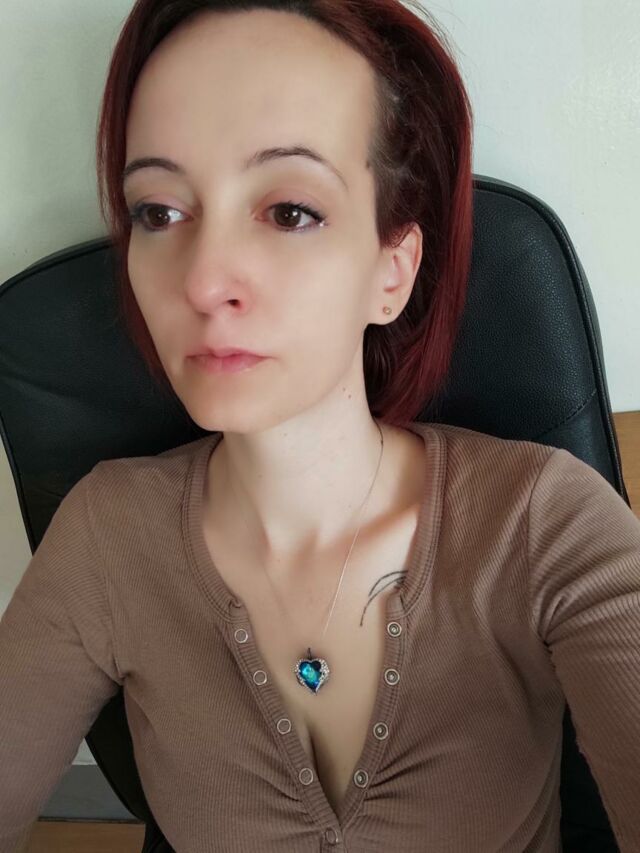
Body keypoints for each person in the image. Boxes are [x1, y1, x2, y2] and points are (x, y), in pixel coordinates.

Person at [1, 1, 639, 851]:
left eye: (290, 211)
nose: (203, 281)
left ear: (391, 271)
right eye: (159, 211)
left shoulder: (540, 521)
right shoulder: (107, 535)